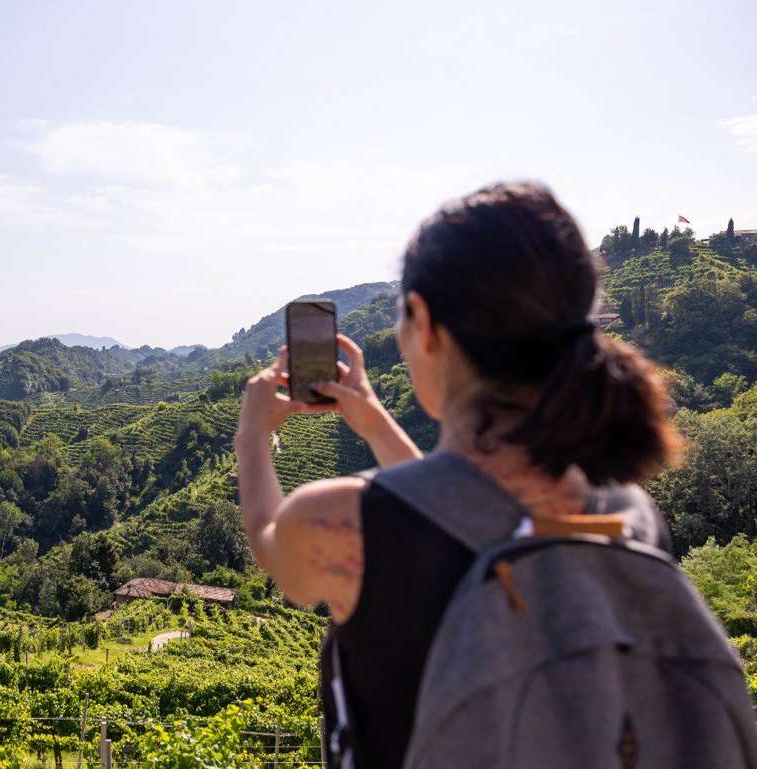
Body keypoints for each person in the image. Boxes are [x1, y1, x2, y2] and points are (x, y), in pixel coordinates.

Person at [234, 182, 681, 769]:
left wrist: (252, 434)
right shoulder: (626, 513)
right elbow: (458, 516)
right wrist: (373, 420)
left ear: (423, 323)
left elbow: (274, 548)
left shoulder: (344, 520)